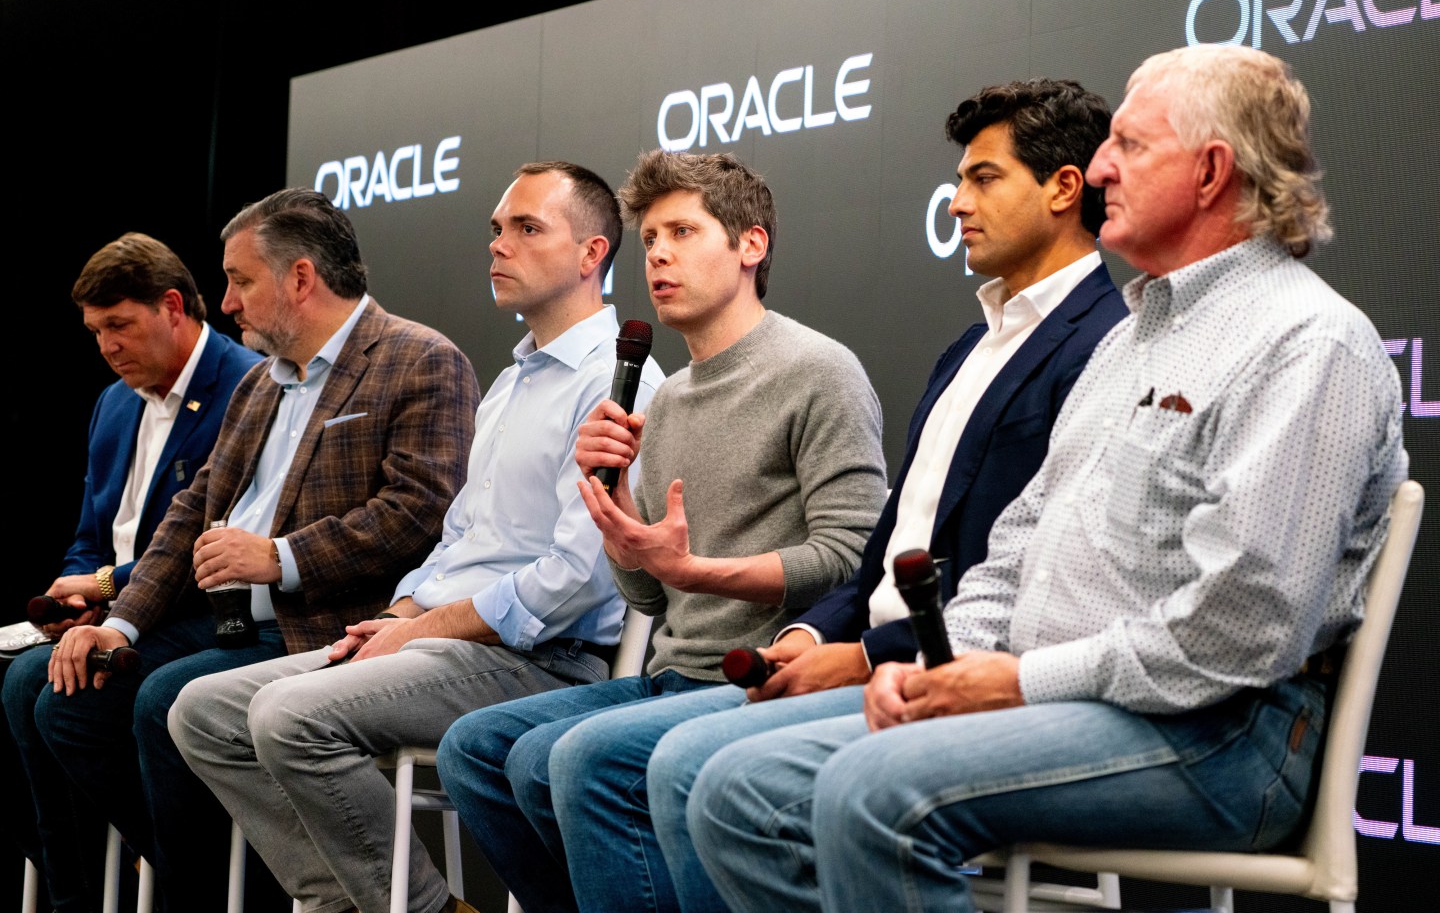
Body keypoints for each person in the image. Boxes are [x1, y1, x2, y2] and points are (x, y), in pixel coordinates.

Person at [686, 44, 1409, 913]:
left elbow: (1241, 628)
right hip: (1060, 697)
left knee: (877, 791)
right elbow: (1019, 546)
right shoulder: (1128, 338)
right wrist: (941, 665)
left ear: (1212, 170)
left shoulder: (1306, 340)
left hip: (1221, 733)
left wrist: (1018, 681)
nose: (1101, 167)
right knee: (736, 788)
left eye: (1130, 147)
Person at [636, 78, 1129, 913]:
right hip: (868, 655)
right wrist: (809, 632)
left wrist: (868, 657)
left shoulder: (1104, 347)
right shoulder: (967, 349)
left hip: (968, 671)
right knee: (669, 763)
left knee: (692, 767)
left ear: (1063, 188)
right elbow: (887, 548)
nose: (957, 200)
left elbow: (1022, 572)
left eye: (983, 178)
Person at [170, 162, 663, 913]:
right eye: (497, 229)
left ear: (592, 255)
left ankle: (425, 909)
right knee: (200, 712)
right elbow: (458, 536)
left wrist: (427, 623)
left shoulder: (618, 386)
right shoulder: (512, 382)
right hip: (443, 641)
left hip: (542, 660)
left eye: (527, 228)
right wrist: (402, 616)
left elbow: (577, 579)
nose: (500, 245)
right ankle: (352, 903)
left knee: (287, 716)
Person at [435, 150, 888, 913]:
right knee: (474, 750)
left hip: (764, 680)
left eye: (682, 231)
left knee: (578, 759)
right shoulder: (667, 399)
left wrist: (694, 570)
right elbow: (647, 590)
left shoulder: (818, 370)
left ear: (751, 245)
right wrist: (615, 520)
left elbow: (850, 560)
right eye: (649, 240)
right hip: (670, 678)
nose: (660, 255)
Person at [6, 187, 480, 912]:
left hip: (325, 622)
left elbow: (418, 513)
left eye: (240, 280)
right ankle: (223, 882)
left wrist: (281, 557)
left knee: (163, 700)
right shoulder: (263, 383)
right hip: (230, 625)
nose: (226, 302)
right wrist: (119, 621)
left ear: (299, 277)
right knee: (66, 703)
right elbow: (191, 514)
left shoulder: (418, 358)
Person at [1, 232, 260, 911]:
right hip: (118, 609)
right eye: (95, 331)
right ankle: (85, 893)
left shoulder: (245, 386)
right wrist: (78, 593)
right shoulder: (114, 402)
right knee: (17, 680)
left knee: (51, 690)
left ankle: (196, 873)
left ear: (172, 307)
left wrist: (112, 596)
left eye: (119, 325)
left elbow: (211, 540)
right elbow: (90, 537)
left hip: (197, 611)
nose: (107, 346)